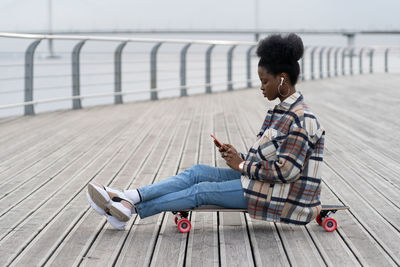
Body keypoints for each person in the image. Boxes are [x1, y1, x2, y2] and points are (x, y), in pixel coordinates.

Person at [86, 33, 325, 230]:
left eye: (264, 81)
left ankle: (128, 208)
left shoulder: (301, 119)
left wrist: (241, 166)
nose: (261, 87)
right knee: (197, 173)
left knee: (200, 192)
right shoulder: (282, 112)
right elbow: (271, 159)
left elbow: (287, 171)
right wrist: (239, 156)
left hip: (283, 197)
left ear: (282, 79)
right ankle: (129, 197)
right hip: (265, 184)